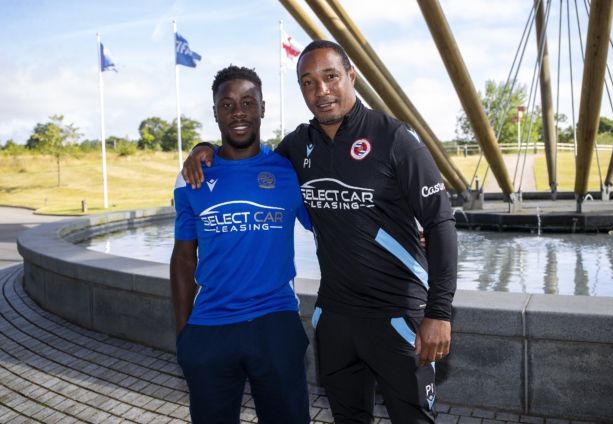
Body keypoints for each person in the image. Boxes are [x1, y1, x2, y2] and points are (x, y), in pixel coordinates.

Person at [182, 41, 457, 424]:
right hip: (336, 320)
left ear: (351, 76)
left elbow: (440, 223)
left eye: (330, 77)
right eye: (309, 82)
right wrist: (204, 147)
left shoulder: (395, 138)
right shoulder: (297, 146)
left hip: (398, 316)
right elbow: (245, 154)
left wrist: (439, 312)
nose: (321, 91)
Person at [170, 65, 312, 424]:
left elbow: (336, 225)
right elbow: (184, 259)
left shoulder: (288, 171)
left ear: (262, 109)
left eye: (248, 102)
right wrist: (185, 334)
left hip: (276, 322)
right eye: (227, 104)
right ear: (215, 111)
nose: (238, 112)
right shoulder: (192, 177)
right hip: (209, 329)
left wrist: (407, 229)